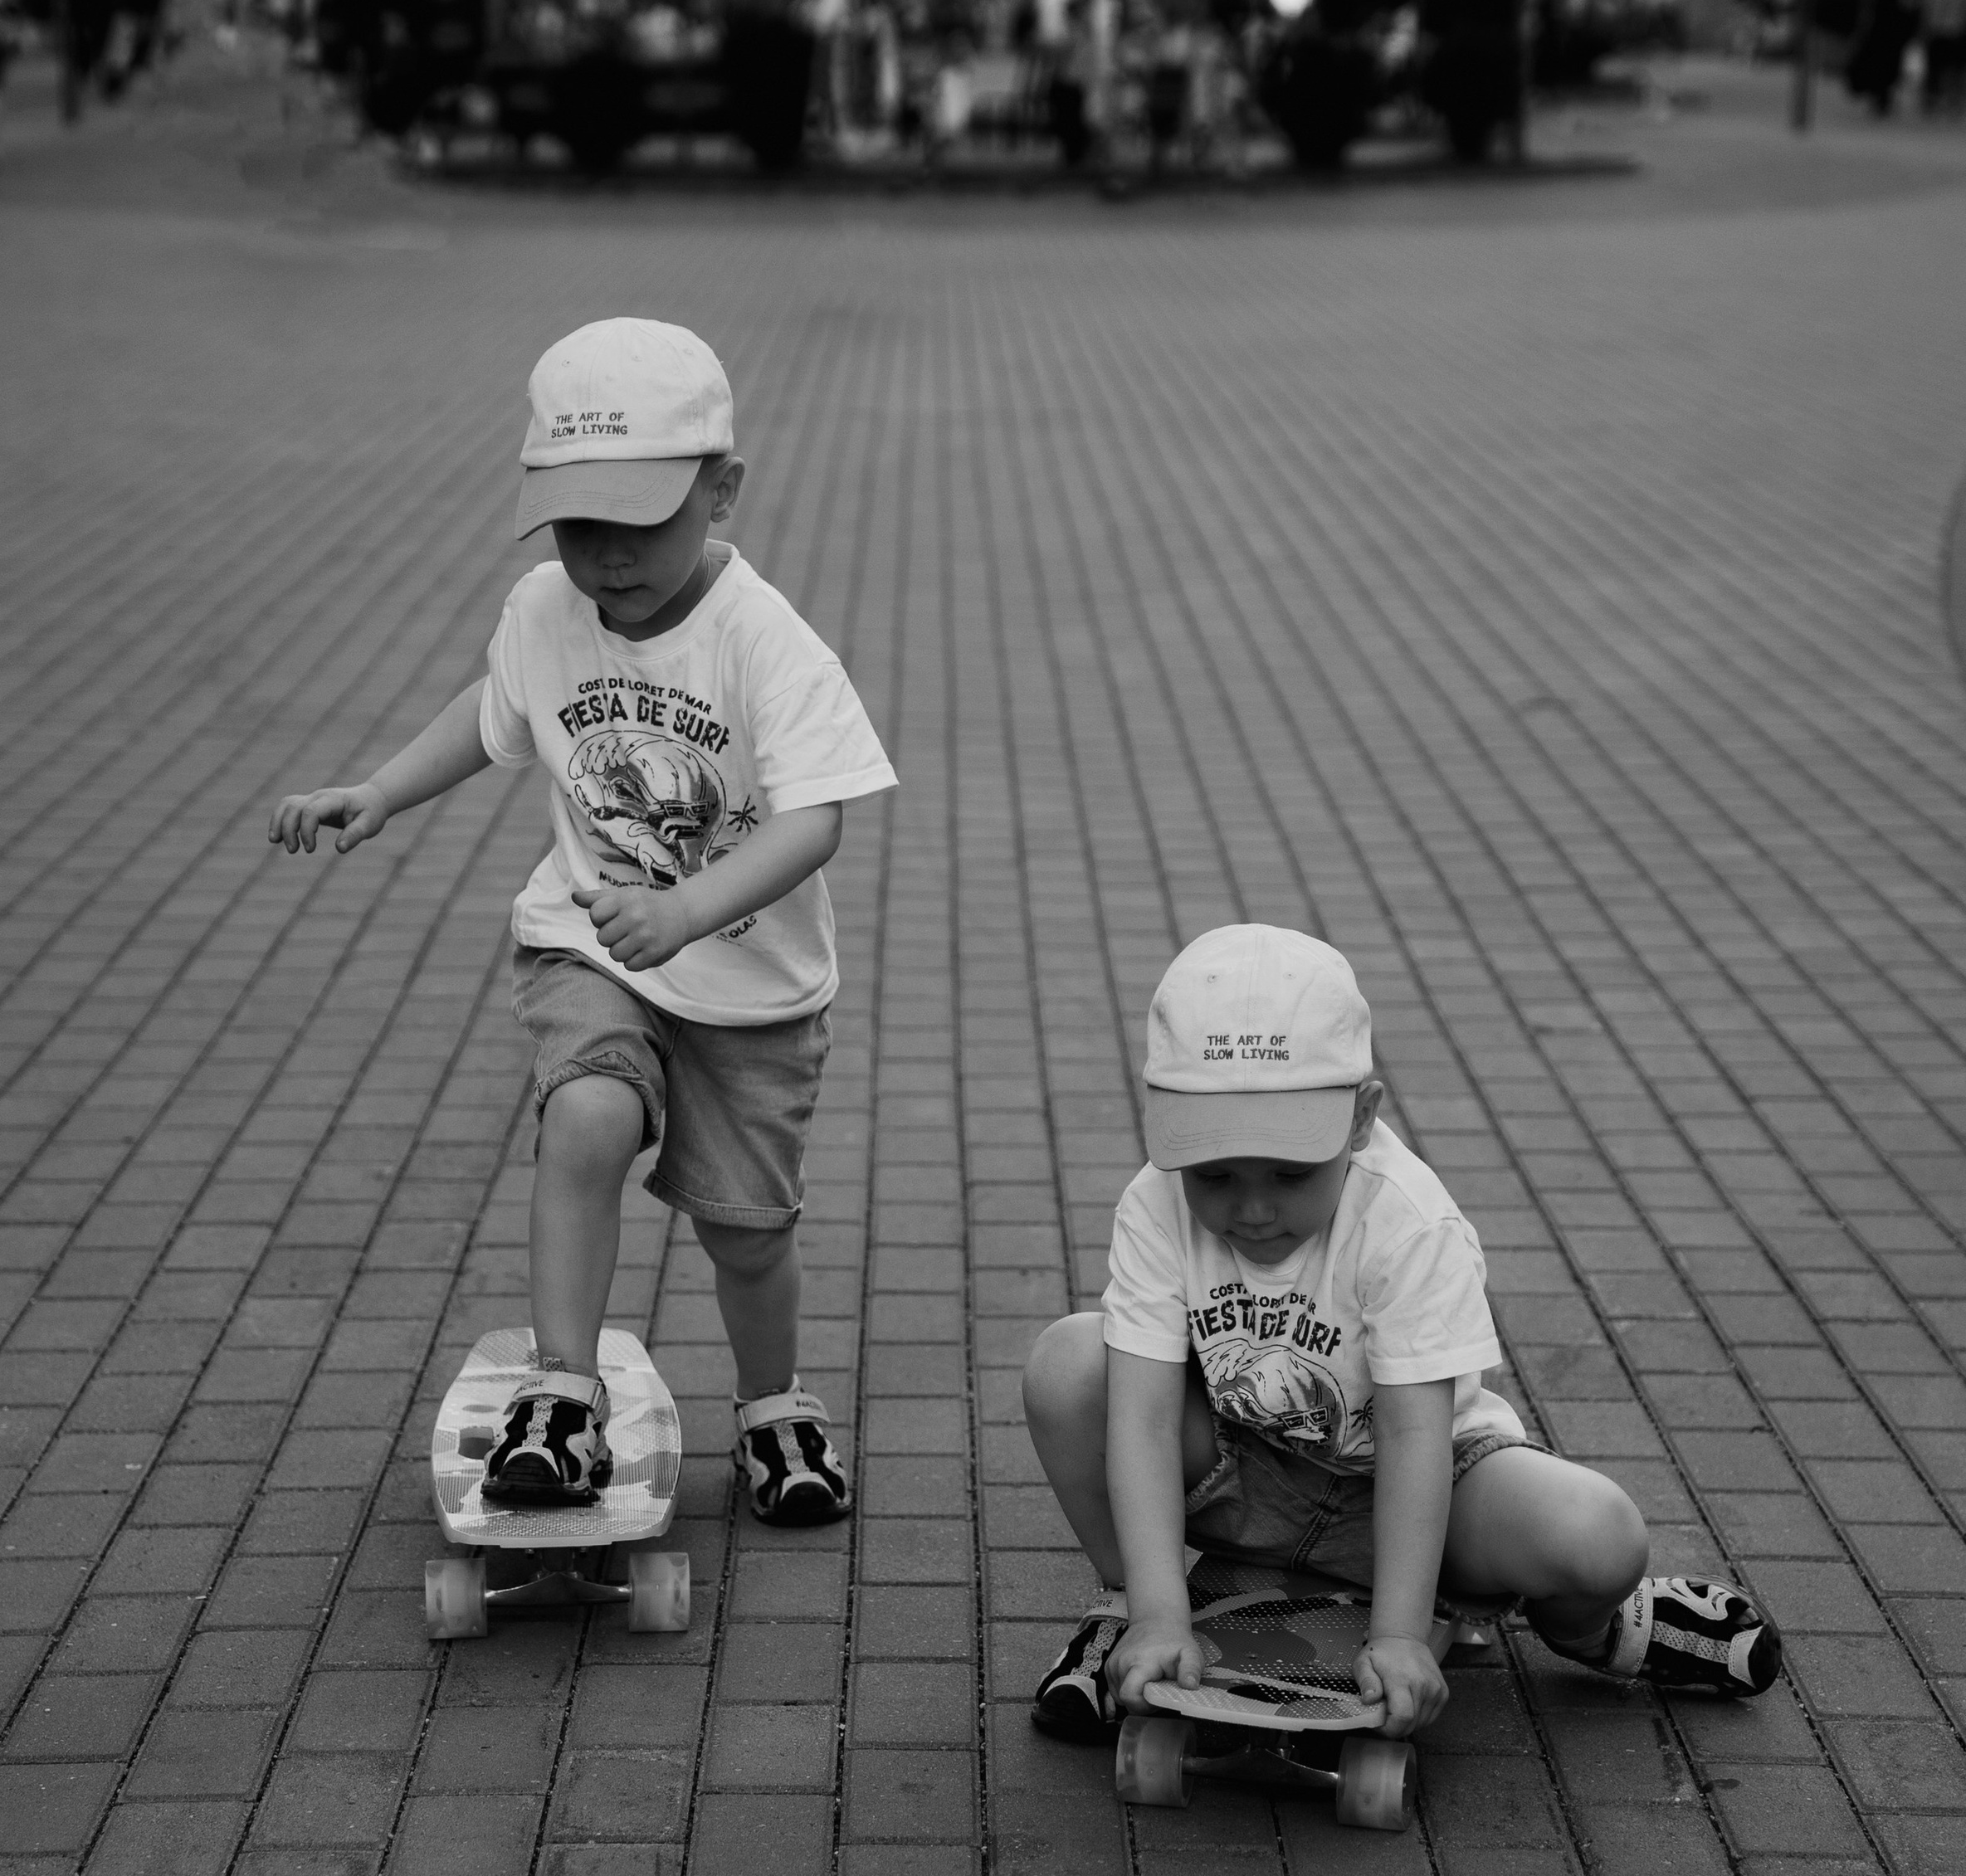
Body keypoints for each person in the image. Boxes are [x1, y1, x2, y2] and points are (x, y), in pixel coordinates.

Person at [271, 316, 897, 1525]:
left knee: (746, 1234)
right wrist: (383, 790)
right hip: (591, 945)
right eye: (577, 523)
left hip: (749, 989)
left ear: (722, 491)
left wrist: (690, 908)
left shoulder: (764, 640)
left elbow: (815, 822)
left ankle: (774, 1408)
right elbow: (499, 707)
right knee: (590, 1119)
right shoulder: (545, 608)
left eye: (640, 521)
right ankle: (563, 1393)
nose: (605, 557)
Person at [1025, 925, 1781, 1741]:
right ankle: (1136, 1612)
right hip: (1250, 1474)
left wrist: (1396, 1637)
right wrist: (1163, 1613)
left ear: (1360, 1115)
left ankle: (1597, 1627)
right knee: (1067, 1363)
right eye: (1215, 1173)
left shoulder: (1406, 1220)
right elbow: (1137, 1416)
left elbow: (1413, 1431)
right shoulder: (1155, 1202)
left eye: (1287, 1172)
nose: (1249, 1207)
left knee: (1598, 1536)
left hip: (1424, 1489)